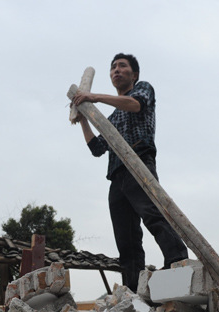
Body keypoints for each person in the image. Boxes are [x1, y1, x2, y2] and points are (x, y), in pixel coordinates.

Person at [71, 52, 188, 291]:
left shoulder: (143, 89)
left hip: (138, 162)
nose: (116, 70)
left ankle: (179, 265)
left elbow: (135, 105)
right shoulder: (111, 117)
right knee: (126, 238)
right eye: (113, 67)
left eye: (122, 66)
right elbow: (97, 148)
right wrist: (83, 118)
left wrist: (94, 98)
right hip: (117, 176)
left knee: (154, 216)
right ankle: (133, 288)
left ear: (133, 74)